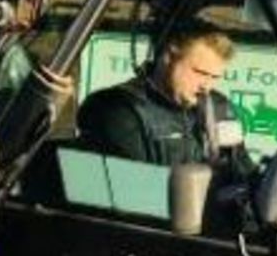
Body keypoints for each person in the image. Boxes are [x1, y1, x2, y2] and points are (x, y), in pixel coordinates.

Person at [78, 20, 253, 172]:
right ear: (168, 57)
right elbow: (131, 190)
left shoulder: (218, 107)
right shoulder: (119, 109)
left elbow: (242, 170)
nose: (206, 86)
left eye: (214, 77)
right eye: (200, 73)